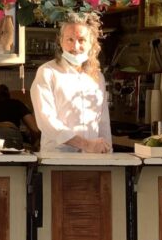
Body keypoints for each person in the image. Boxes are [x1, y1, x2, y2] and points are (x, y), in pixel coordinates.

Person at [30, 12, 112, 153]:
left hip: (92, 159)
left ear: (91, 42)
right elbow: (47, 121)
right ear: (60, 41)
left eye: (81, 40)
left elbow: (103, 122)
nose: (75, 46)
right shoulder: (47, 72)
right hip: (58, 160)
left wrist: (108, 153)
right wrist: (86, 144)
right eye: (70, 39)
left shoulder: (97, 76)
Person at [0, 84, 41, 149]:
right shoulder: (17, 104)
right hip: (12, 137)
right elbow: (35, 129)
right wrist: (34, 144)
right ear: (8, 95)